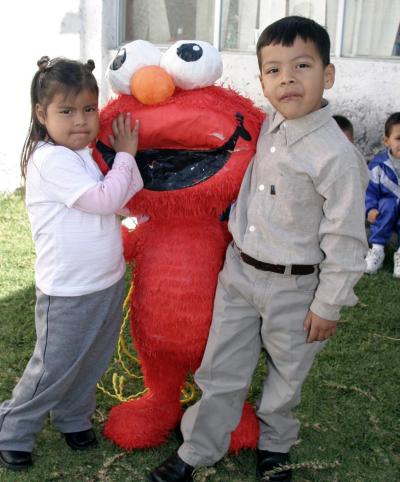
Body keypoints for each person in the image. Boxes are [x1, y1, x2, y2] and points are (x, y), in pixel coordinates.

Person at [149, 16, 368, 482]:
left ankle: (274, 445)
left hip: (296, 287)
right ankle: (198, 449)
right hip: (241, 275)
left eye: (302, 65)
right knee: (221, 367)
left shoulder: (336, 155)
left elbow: (346, 237)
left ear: (327, 75)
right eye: (273, 69)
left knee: (287, 374)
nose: (287, 78)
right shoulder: (266, 125)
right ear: (263, 81)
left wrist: (329, 303)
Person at [0, 56, 143, 471]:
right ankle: (13, 428)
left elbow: (120, 194)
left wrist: (123, 172)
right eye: (66, 111)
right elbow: (105, 199)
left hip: (106, 280)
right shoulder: (50, 159)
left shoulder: (80, 152)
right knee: (53, 368)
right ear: (41, 114)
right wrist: (126, 156)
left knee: (92, 359)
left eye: (88, 109)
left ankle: (72, 418)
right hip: (67, 290)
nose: (81, 121)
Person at [365, 112, 400, 277]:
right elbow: (370, 190)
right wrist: (370, 208)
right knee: (387, 203)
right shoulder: (378, 165)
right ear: (386, 141)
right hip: (386, 211)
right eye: (399, 138)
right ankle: (377, 250)